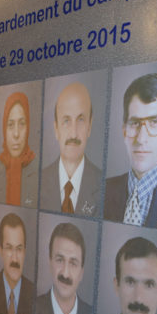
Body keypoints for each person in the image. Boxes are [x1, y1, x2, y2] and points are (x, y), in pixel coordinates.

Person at [104, 73, 157, 228]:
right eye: (134, 123)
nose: (141, 139)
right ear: (124, 131)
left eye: (154, 122)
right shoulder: (102, 190)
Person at [40, 82, 102, 216]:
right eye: (66, 121)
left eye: (80, 120)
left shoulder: (104, 186)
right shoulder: (37, 182)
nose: (74, 134)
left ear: (89, 126)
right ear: (56, 129)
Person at [34, 223, 90, 314]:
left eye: (73, 263)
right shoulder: (30, 310)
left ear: (82, 272)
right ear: (50, 262)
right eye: (59, 260)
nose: (65, 273)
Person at [0, 213, 34, 314]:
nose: (14, 258)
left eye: (19, 249)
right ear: (0, 250)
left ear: (25, 252)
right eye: (9, 248)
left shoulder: (34, 294)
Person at [0, 92, 38, 207]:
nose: (16, 134)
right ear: (4, 128)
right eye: (10, 125)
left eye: (22, 124)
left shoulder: (39, 172)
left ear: (28, 127)